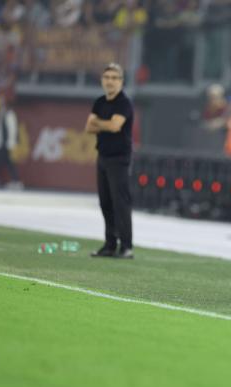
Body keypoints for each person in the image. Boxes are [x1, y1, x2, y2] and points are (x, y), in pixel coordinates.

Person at [85, 62, 134, 259]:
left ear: (121, 81)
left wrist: (100, 123)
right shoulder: (99, 102)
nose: (110, 82)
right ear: (102, 80)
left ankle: (127, 246)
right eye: (107, 78)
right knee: (105, 202)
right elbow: (89, 127)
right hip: (103, 156)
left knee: (120, 202)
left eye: (114, 78)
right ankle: (110, 244)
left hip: (119, 158)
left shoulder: (124, 103)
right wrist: (104, 123)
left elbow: (115, 126)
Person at [0, 92, 21, 188]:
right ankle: (15, 181)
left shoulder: (8, 113)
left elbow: (12, 129)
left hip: (5, 144)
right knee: (4, 163)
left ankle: (16, 182)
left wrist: (11, 143)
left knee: (4, 163)